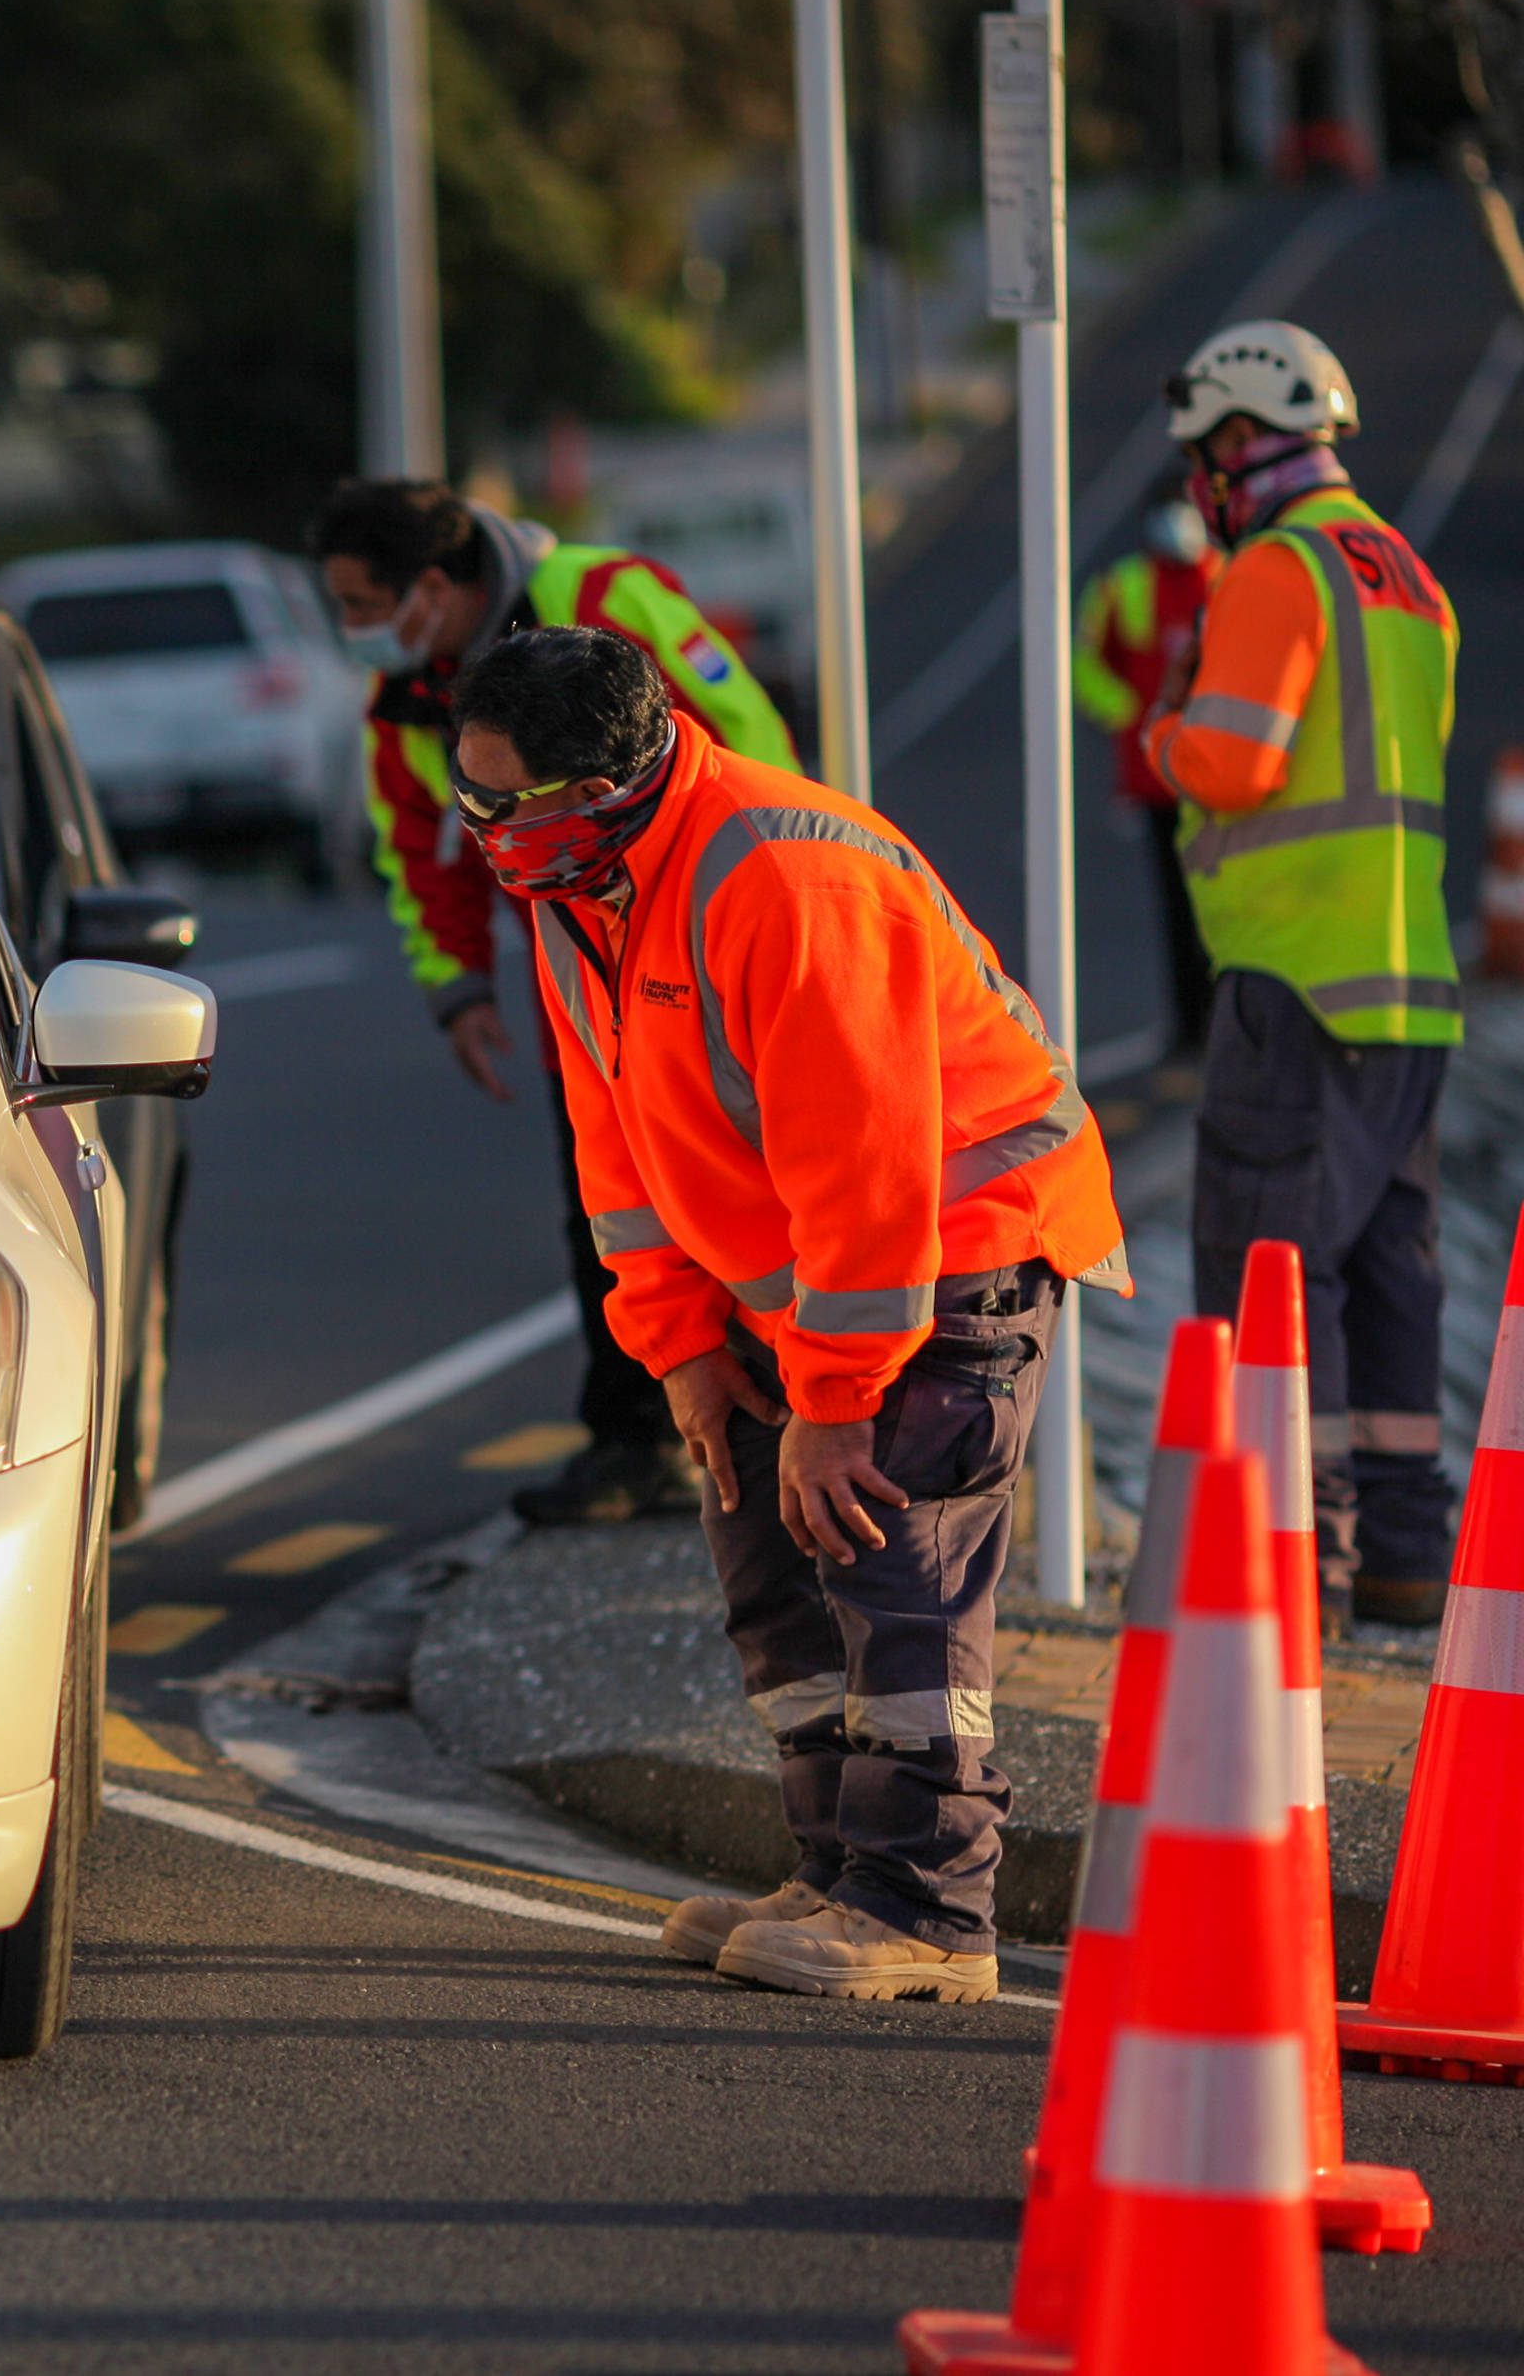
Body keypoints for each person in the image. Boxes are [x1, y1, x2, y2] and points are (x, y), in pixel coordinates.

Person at [451, 627, 1127, 2004]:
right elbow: (618, 1153)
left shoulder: (781, 876)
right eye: (471, 803)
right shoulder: (580, 884)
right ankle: (833, 1876)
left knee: (896, 1570)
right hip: (804, 1281)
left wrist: (833, 1402)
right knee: (771, 1568)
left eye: (509, 808)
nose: (487, 841)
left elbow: (869, 1169)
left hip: (949, 1250)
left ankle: (929, 1915)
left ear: (612, 785)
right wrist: (683, 1349)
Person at [305, 478, 802, 1527]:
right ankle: (637, 1441)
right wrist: (458, 990)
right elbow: (416, 847)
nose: (349, 631)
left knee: (748, 1188)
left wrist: (748, 931)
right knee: (609, 1209)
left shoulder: (604, 594)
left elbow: (747, 742)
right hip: (573, 968)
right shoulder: (400, 697)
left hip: (708, 953)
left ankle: (801, 1407)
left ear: (430, 589)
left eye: (358, 605)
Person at [1138, 321, 1460, 1627]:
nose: (1197, 491)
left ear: (1232, 443)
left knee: (1268, 1270)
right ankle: (1400, 1549)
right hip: (1408, 983)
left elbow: (1240, 758)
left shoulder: (1280, 567)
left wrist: (1162, 737)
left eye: (1198, 461)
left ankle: (1294, 1561)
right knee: (1391, 1271)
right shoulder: (1408, 577)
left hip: (1296, 983)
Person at [1071, 496, 1225, 1055]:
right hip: (1158, 777)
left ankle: (1226, 1022)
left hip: (1221, 773)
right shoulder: (1124, 586)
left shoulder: (1228, 576)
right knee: (1178, 907)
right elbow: (1087, 661)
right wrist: (1127, 714)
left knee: (1226, 902)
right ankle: (1192, 1024)